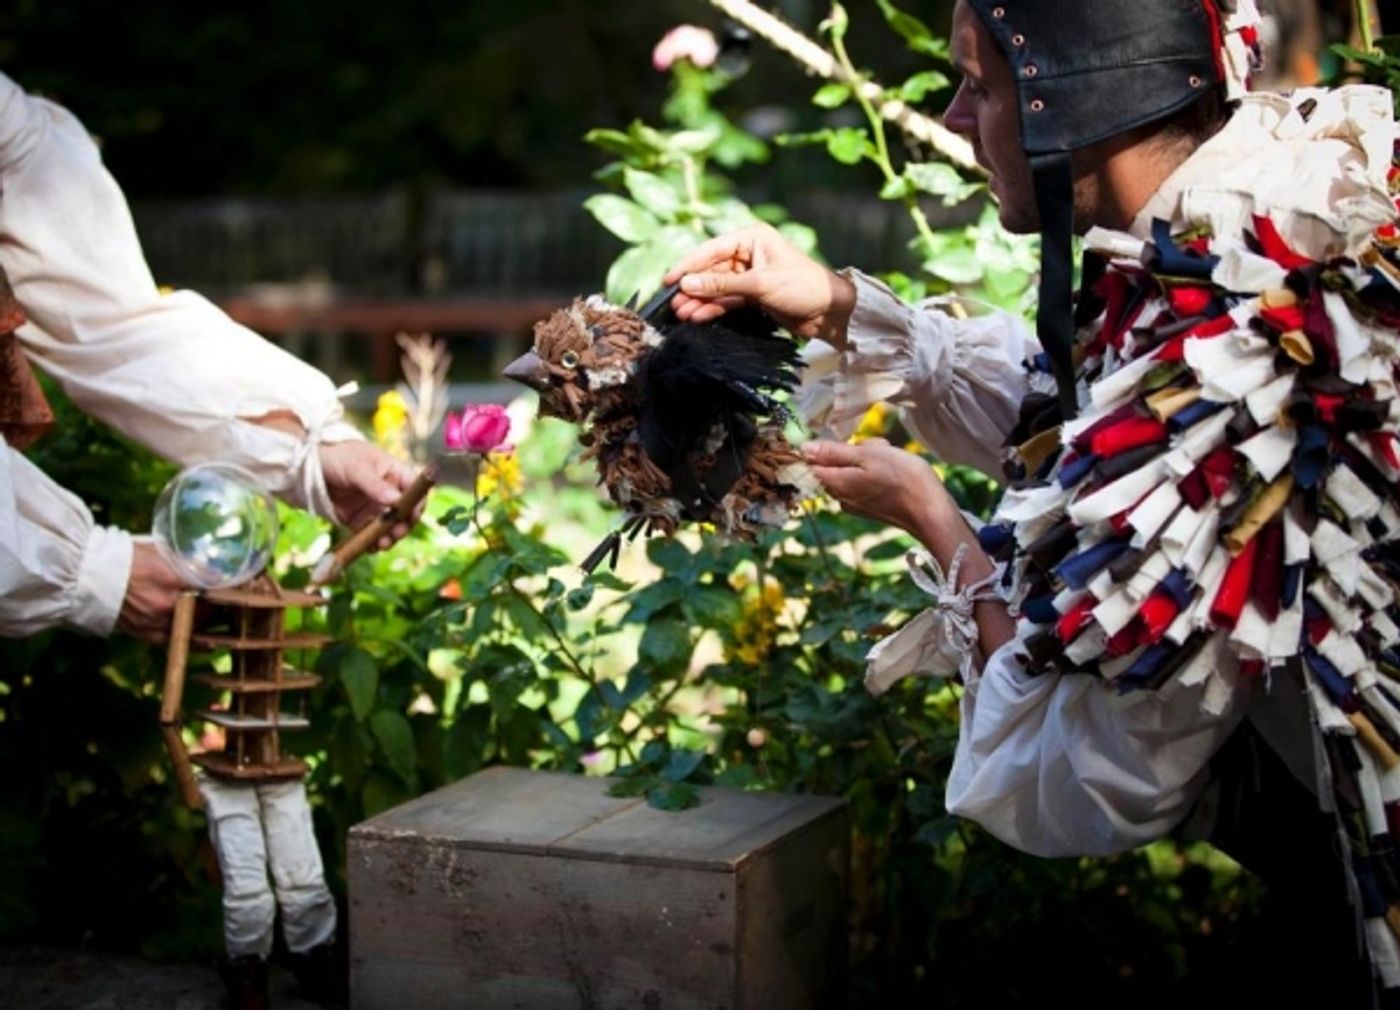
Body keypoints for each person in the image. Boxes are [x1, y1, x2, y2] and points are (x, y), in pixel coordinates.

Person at [666, 0, 1400, 1002]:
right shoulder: (1244, 214)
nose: (960, 117)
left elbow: (1078, 780)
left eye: (979, 83)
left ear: (1078, 94)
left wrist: (935, 522)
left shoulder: (1244, 341)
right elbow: (1097, 437)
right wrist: (839, 303)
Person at [0, 71, 422, 1008]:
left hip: (265, 774)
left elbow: (112, 326)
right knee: (246, 895)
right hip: (234, 779)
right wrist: (92, 570)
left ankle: (305, 955)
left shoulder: (11, 133)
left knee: (300, 883)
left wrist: (318, 453)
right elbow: (170, 713)